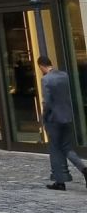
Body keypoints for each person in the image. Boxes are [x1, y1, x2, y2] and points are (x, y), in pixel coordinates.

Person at [38, 54, 86, 190]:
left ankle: (60, 181)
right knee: (66, 147)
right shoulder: (64, 76)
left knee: (55, 148)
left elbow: (47, 102)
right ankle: (83, 169)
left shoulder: (46, 79)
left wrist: (44, 117)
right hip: (67, 117)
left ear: (41, 66)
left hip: (53, 119)